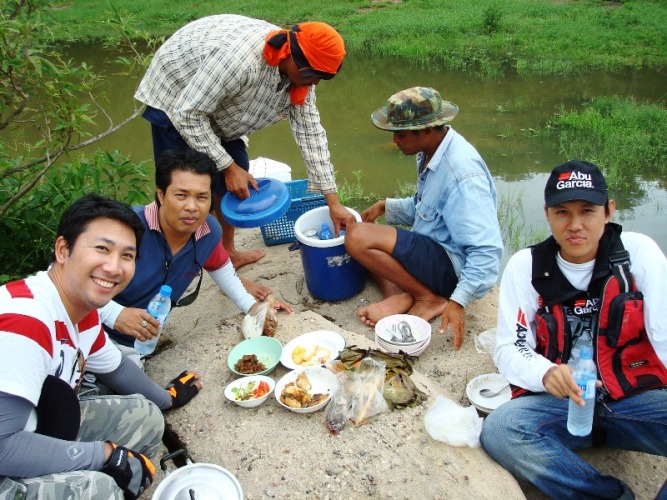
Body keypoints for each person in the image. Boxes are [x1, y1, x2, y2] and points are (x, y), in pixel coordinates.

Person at [480, 160, 667, 498]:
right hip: (562, 403)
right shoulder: (526, 267)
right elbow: (509, 347)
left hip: (633, 399)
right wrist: (546, 372)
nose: (575, 225)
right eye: (562, 212)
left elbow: (664, 334)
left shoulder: (639, 254)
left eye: (588, 211)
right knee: (500, 431)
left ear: (608, 211)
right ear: (547, 213)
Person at [0, 194, 202, 499]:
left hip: (39, 428)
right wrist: (103, 455)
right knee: (99, 488)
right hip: (6, 456)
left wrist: (167, 398)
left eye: (127, 255)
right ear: (63, 250)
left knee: (145, 416)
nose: (113, 267)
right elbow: (3, 446)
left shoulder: (79, 311)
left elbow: (117, 368)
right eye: (102, 249)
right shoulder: (25, 320)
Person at [134, 14, 357, 276]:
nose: (315, 82)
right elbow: (188, 114)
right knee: (182, 187)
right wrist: (226, 167)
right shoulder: (239, 62)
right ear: (290, 53)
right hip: (176, 96)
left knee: (237, 177)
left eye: (322, 77)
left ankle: (226, 252)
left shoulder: (302, 76)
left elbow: (311, 135)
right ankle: (166, 263)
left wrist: (333, 201)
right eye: (312, 74)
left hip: (220, 104)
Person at [345, 87, 503, 349]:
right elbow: (429, 210)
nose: (395, 141)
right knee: (360, 244)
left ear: (427, 130)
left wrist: (459, 300)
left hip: (454, 267)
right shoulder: (431, 150)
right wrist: (386, 207)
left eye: (401, 134)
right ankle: (399, 295)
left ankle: (428, 298)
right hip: (433, 246)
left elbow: (486, 253)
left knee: (357, 236)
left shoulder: (462, 173)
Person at [100, 149, 292, 354]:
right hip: (91, 331)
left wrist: (256, 310)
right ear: (161, 194)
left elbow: (226, 276)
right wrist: (115, 315)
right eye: (181, 195)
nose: (192, 207)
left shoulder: (208, 232)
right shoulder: (126, 228)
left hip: (138, 345)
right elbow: (69, 286)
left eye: (202, 197)